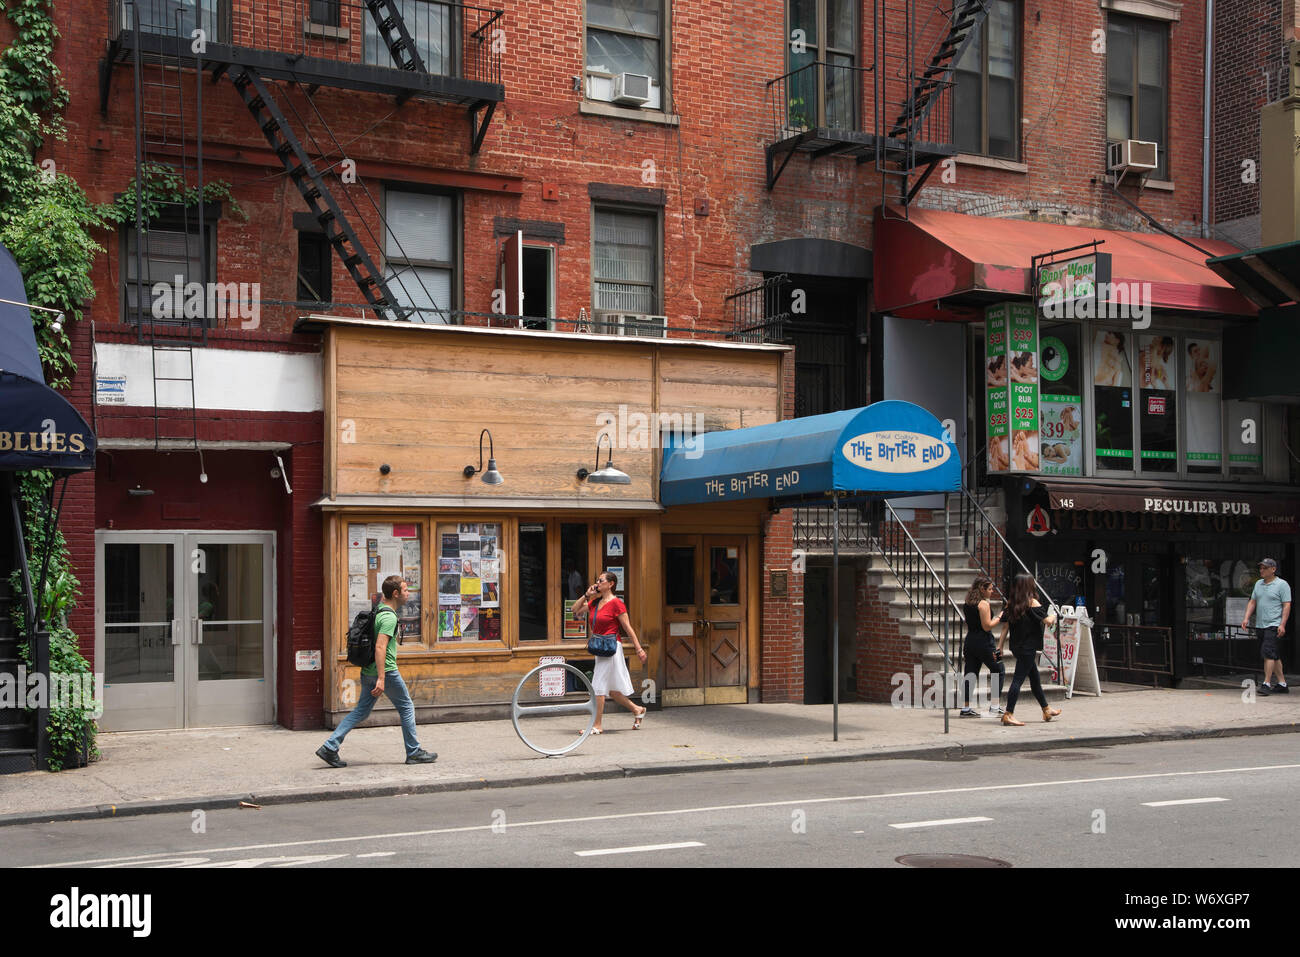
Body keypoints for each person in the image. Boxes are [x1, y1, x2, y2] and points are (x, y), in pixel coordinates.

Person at [316, 575, 437, 766]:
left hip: (368, 671)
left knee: (361, 711)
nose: (408, 593)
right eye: (405, 590)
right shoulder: (388, 617)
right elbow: (380, 647)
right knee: (406, 707)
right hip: (386, 672)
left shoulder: (379, 610)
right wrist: (382, 678)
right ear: (396, 594)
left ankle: (330, 746)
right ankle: (413, 752)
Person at [570, 570, 647, 733]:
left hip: (611, 649)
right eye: (597, 580)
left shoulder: (617, 603)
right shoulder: (595, 602)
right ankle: (637, 709)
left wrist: (638, 649)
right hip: (601, 649)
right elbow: (574, 610)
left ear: (611, 584)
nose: (598, 583)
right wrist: (586, 595)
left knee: (598, 686)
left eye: (601, 581)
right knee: (612, 690)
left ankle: (597, 725)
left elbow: (628, 627)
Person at [997, 573, 1061, 726]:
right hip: (1028, 647)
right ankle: (1008, 713)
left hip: (1016, 647)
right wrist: (1054, 616)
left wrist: (1000, 646)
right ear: (1028, 586)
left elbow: (1005, 627)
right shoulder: (1033, 603)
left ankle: (1046, 709)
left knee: (1034, 678)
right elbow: (1047, 621)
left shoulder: (1010, 604)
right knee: (1018, 680)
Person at [1241, 558, 1290, 695]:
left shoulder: (1282, 585)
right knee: (1273, 654)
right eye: (1261, 568)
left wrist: (1282, 624)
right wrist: (1246, 618)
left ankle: (1266, 683)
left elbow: (1287, 605)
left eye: (1265, 568)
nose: (1261, 570)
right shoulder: (1258, 584)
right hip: (1260, 625)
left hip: (1273, 624)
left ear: (1273, 569)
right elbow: (1252, 602)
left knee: (1267, 653)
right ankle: (1282, 683)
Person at [959, 577, 1005, 717]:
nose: (992, 591)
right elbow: (987, 626)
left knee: (970, 673)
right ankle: (995, 706)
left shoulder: (968, 603)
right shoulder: (983, 604)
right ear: (981, 589)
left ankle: (965, 708)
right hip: (985, 643)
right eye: (990, 589)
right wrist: (1000, 616)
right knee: (999, 668)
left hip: (970, 642)